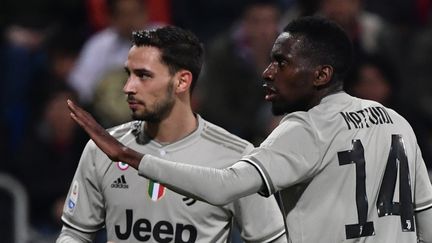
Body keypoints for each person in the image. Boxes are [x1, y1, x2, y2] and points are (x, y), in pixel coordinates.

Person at [66, 17, 432, 242]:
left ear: (321, 75)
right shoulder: (395, 121)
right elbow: (425, 218)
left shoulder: (304, 128)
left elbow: (225, 185)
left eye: (281, 63)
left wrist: (130, 157)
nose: (267, 72)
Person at [57, 26, 286, 242]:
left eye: (143, 75)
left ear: (182, 82)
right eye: (129, 74)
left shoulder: (237, 156)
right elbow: (75, 233)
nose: (128, 87)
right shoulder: (102, 148)